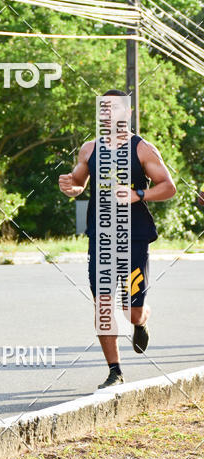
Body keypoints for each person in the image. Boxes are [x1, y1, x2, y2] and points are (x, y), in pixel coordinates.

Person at [58, 90, 176, 389]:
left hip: (134, 237)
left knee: (131, 310)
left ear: (127, 113)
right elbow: (78, 184)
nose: (107, 116)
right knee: (104, 306)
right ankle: (115, 370)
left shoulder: (142, 149)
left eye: (113, 110)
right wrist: (68, 186)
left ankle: (141, 320)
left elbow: (168, 187)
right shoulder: (90, 148)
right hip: (100, 236)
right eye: (103, 111)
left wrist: (138, 195)